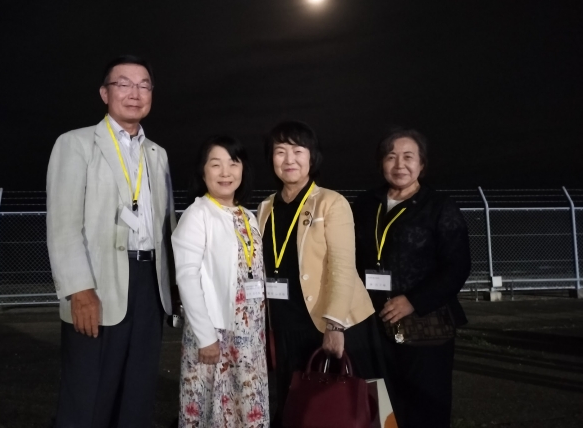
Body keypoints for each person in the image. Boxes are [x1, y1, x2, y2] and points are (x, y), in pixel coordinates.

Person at [46, 55, 176, 428]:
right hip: (98, 285)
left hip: (150, 286)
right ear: (105, 93)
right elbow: (63, 225)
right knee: (88, 397)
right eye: (124, 84)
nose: (135, 93)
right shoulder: (76, 144)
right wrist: (79, 289)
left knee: (137, 395)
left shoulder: (158, 154)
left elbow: (165, 226)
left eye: (144, 85)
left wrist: (172, 286)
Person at [257, 121, 378, 426]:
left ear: (312, 157)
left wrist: (335, 325)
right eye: (280, 151)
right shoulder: (265, 207)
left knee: (349, 409)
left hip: (332, 323)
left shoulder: (330, 202)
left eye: (298, 151)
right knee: (297, 408)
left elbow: (343, 266)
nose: (289, 159)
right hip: (286, 326)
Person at [353, 128, 471, 428]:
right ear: (381, 162)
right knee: (381, 407)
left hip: (425, 328)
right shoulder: (365, 205)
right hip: (373, 325)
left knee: (425, 407)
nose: (399, 165)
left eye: (408, 157)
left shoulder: (439, 207)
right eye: (391, 157)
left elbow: (458, 267)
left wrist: (413, 301)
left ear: (422, 164)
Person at [172, 136, 270, 428]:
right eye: (216, 164)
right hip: (216, 334)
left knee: (246, 407)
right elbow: (187, 277)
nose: (225, 172)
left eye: (233, 163)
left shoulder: (248, 216)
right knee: (214, 410)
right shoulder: (197, 214)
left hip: (249, 337)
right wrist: (206, 337)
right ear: (203, 172)